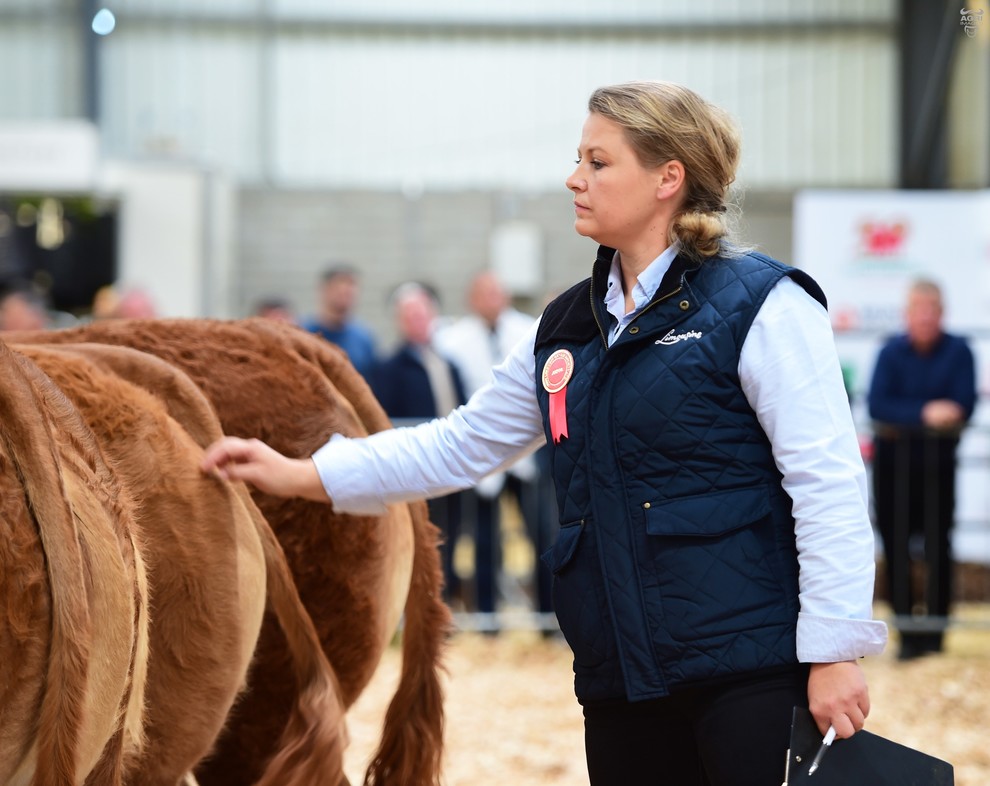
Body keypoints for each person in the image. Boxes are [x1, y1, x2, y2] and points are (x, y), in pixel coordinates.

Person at [201, 80, 887, 786]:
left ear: (667, 179)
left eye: (597, 161)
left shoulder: (765, 306)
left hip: (751, 674)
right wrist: (301, 473)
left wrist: (835, 650)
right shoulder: (565, 328)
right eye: (578, 160)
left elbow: (826, 482)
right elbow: (460, 443)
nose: (574, 179)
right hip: (620, 680)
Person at [867, 278, 976, 661]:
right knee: (896, 549)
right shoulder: (890, 352)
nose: (925, 317)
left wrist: (908, 416)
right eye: (918, 310)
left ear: (941, 314)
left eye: (931, 310)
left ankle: (935, 635)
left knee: (939, 548)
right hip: (893, 472)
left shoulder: (959, 351)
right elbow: (879, 405)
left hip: (937, 470)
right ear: (907, 314)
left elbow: (963, 403)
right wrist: (927, 412)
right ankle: (906, 636)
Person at [433, 271, 548, 621]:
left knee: (541, 533)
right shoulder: (452, 340)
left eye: (496, 293)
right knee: (483, 539)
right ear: (472, 299)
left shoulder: (529, 329)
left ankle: (547, 616)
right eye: (483, 294)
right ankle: (487, 617)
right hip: (482, 451)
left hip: (526, 451)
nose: (491, 300)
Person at [371, 282, 469, 607]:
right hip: (417, 470)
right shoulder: (389, 369)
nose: (418, 320)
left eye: (423, 313)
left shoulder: (449, 364)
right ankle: (419, 605)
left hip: (453, 468)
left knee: (451, 537)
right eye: (410, 314)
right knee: (421, 539)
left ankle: (445, 600)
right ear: (400, 320)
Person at [300, 264, 377, 379]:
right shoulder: (303, 334)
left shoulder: (363, 339)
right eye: (340, 285)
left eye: (351, 286)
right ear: (324, 290)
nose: (346, 291)